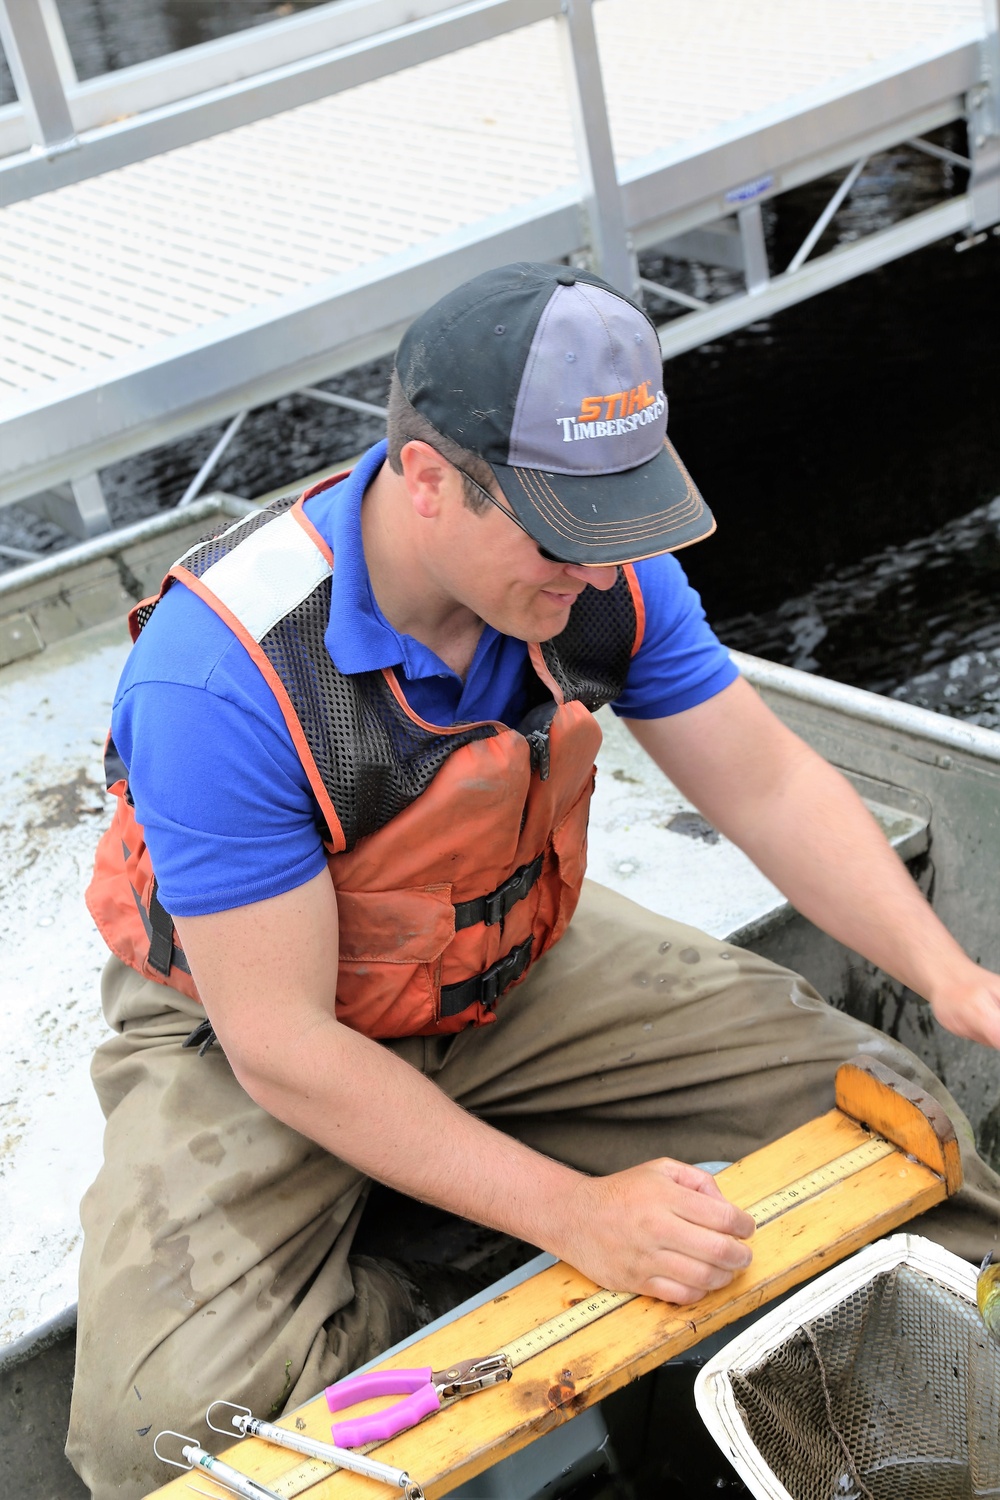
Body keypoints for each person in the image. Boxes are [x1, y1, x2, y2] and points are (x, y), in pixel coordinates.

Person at [68, 262, 1000, 1497]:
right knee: (157, 1430)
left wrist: (951, 978)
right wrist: (573, 1216)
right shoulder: (219, 678)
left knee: (892, 1119)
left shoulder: (601, 574)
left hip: (501, 953)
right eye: (563, 531)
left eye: (620, 519)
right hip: (269, 1021)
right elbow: (282, 1044)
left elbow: (767, 784)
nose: (594, 571)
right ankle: (442, 1242)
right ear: (425, 479)